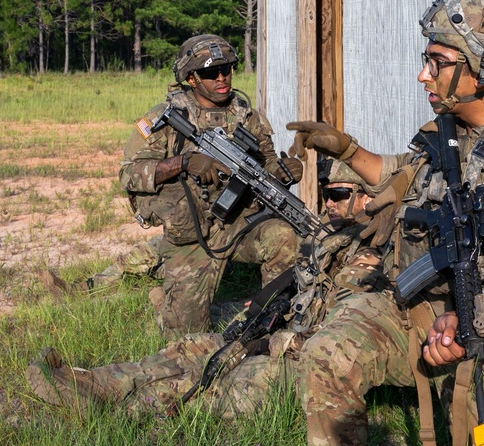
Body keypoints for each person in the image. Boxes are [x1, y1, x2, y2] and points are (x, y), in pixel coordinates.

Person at [286, 0, 484, 446]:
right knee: (327, 354)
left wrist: (473, 315)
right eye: (425, 59)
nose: (423, 74)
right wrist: (346, 150)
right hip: (423, 308)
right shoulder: (451, 130)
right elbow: (402, 177)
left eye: (438, 62)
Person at [26, 159, 386, 419]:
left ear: (367, 198)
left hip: (308, 362)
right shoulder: (333, 237)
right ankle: (97, 384)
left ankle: (125, 412)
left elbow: (342, 337)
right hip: (280, 335)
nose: (327, 203)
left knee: (218, 381)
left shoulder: (371, 258)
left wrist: (274, 343)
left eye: (338, 194)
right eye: (326, 193)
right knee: (193, 347)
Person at [43, 34, 302, 337]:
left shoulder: (246, 117)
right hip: (192, 229)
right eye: (210, 73)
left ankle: (271, 319)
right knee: (185, 335)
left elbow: (267, 164)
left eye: (228, 69)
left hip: (241, 223)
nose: (222, 77)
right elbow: (128, 174)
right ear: (191, 78)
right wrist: (182, 163)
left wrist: (283, 171)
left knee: (283, 235)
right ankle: (150, 300)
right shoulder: (168, 118)